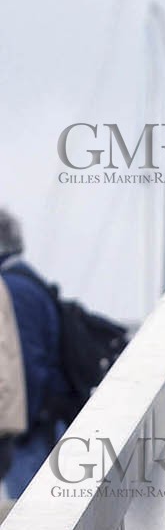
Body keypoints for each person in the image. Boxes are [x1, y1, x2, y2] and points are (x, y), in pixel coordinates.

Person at [0, 211, 68, 498]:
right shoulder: (24, 281)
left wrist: (18, 428)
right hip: (39, 424)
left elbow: (25, 364)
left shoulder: (12, 289)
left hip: (31, 433)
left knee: (27, 512)